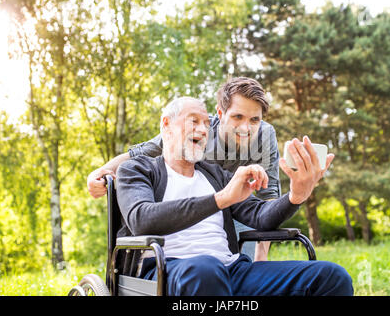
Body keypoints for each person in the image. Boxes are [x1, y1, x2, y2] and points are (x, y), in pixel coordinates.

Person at [115, 96, 353, 296]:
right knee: (206, 269)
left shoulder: (217, 176)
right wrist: (220, 199)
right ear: (166, 125)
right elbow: (141, 219)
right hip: (167, 272)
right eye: (194, 121)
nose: (202, 129)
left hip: (231, 271)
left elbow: (261, 216)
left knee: (332, 277)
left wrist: (296, 195)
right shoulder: (137, 169)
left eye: (207, 124)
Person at [87, 77, 282, 261]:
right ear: (221, 114)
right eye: (238, 117)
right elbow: (141, 152)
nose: (245, 128)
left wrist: (261, 258)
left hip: (238, 208)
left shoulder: (265, 135)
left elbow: (268, 196)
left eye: (254, 120)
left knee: (244, 264)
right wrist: (100, 171)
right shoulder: (197, 131)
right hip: (193, 208)